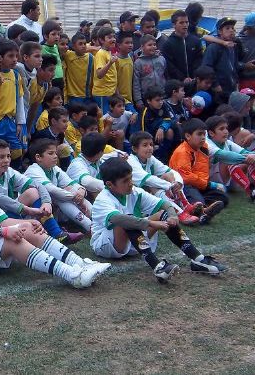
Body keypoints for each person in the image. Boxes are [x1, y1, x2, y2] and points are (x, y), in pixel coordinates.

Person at [0, 158, 108, 286]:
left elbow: (3, 220)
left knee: (27, 228)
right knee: (12, 240)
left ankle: (79, 263)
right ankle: (72, 275)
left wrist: (25, 225)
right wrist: (5, 232)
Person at [91, 158, 228, 283]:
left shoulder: (135, 192)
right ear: (110, 184)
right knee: (127, 220)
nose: (131, 183)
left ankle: (198, 259)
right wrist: (151, 223)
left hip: (133, 241)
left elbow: (165, 204)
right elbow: (118, 219)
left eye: (131, 178)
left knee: (162, 214)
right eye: (125, 181)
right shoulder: (103, 199)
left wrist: (173, 216)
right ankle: (157, 267)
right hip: (107, 246)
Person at [0, 139, 82, 243]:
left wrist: (46, 201)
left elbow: (38, 185)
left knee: (33, 192)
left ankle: (56, 233)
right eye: (1, 157)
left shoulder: (8, 172)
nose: (7, 160)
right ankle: (51, 232)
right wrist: (25, 209)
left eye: (8, 156)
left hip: (9, 215)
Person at [126, 131, 202, 225]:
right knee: (153, 185)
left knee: (168, 176)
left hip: (148, 195)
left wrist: (177, 182)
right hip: (133, 199)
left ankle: (186, 205)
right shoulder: (131, 162)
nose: (150, 148)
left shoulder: (150, 158)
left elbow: (169, 171)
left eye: (151, 144)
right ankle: (179, 213)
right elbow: (148, 179)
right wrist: (169, 186)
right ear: (134, 148)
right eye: (145, 145)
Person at [205, 115, 255, 203]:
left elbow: (248, 152)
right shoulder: (207, 143)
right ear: (211, 133)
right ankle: (251, 191)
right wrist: (248, 158)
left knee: (248, 161)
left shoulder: (227, 142)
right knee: (229, 161)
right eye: (221, 129)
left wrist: (254, 156)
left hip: (228, 179)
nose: (226, 131)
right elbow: (224, 155)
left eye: (226, 128)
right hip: (212, 182)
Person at [24, 139, 93, 234]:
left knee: (69, 189)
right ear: (38, 157)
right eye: (51, 153)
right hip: (33, 214)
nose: (56, 156)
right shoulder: (33, 171)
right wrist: (76, 196)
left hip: (53, 212)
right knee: (59, 195)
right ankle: (90, 226)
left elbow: (72, 183)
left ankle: (97, 217)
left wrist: (81, 190)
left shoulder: (54, 169)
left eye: (56, 153)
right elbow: (52, 190)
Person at [168, 118, 227, 224]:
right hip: (183, 187)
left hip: (198, 185)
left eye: (204, 134)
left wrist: (207, 185)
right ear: (188, 136)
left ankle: (202, 208)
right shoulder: (182, 152)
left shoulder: (203, 147)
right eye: (199, 134)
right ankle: (202, 211)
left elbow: (202, 172)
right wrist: (208, 185)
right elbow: (185, 178)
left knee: (223, 198)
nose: (203, 137)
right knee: (194, 195)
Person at [0, 39, 27, 168]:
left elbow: (20, 100)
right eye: (10, 56)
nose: (15, 59)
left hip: (10, 121)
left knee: (17, 151)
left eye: (16, 56)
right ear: (0, 57)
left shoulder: (16, 75)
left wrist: (20, 122)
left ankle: (13, 178)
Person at [203, 17, 247, 99]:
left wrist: (236, 81)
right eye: (227, 28)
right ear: (220, 32)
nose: (231, 30)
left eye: (232, 28)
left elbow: (234, 65)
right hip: (218, 90)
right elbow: (207, 67)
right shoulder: (214, 48)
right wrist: (215, 84)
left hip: (231, 89)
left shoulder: (234, 46)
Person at [160, 10, 203, 83]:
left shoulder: (195, 41)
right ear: (174, 25)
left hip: (195, 81)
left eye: (186, 22)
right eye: (181, 23)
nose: (185, 25)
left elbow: (199, 59)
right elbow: (169, 65)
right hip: (177, 84)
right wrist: (182, 78)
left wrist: (195, 76)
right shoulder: (168, 44)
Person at [140, 87, 178, 161]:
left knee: (171, 131)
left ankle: (167, 154)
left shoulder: (163, 105)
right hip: (150, 137)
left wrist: (162, 128)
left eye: (161, 99)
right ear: (149, 101)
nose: (160, 102)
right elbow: (144, 132)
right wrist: (151, 144)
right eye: (157, 100)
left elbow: (168, 119)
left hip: (160, 132)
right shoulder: (145, 113)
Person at [133, 34, 166, 110]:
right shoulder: (138, 62)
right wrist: (138, 100)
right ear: (142, 47)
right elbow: (136, 83)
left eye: (154, 44)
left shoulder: (161, 59)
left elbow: (165, 76)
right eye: (149, 45)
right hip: (146, 97)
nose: (153, 47)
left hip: (161, 95)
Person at [63, 33, 95, 106]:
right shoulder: (68, 55)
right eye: (80, 44)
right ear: (74, 46)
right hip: (73, 96)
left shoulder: (91, 57)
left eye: (84, 44)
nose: (83, 46)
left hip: (88, 96)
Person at [92, 27, 118, 112]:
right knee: (104, 119)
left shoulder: (109, 52)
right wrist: (110, 63)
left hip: (110, 92)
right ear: (102, 40)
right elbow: (99, 74)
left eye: (114, 37)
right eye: (110, 37)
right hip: (102, 94)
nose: (113, 39)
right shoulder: (101, 53)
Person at [40, 20, 64, 90]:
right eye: (53, 34)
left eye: (58, 34)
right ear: (46, 36)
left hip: (60, 79)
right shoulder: (41, 48)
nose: (57, 37)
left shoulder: (56, 47)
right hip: (50, 81)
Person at [115, 31, 136, 108]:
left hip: (130, 99)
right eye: (127, 43)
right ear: (119, 45)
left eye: (131, 43)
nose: (130, 45)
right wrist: (119, 98)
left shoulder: (131, 56)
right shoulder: (115, 60)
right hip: (121, 100)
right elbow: (113, 81)